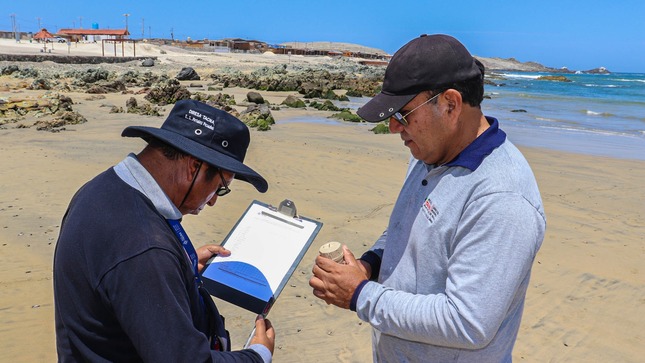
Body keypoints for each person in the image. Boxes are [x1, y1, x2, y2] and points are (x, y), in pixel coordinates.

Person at [309, 34, 546, 362]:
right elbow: (406, 227)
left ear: (450, 105)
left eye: (403, 114)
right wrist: (369, 265)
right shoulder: (429, 153)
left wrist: (360, 295)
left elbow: (468, 322)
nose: (393, 127)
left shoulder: (502, 197)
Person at [54, 99, 275, 362]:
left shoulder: (102, 188)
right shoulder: (145, 249)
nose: (214, 200)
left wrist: (180, 265)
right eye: (220, 186)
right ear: (194, 167)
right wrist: (258, 355)